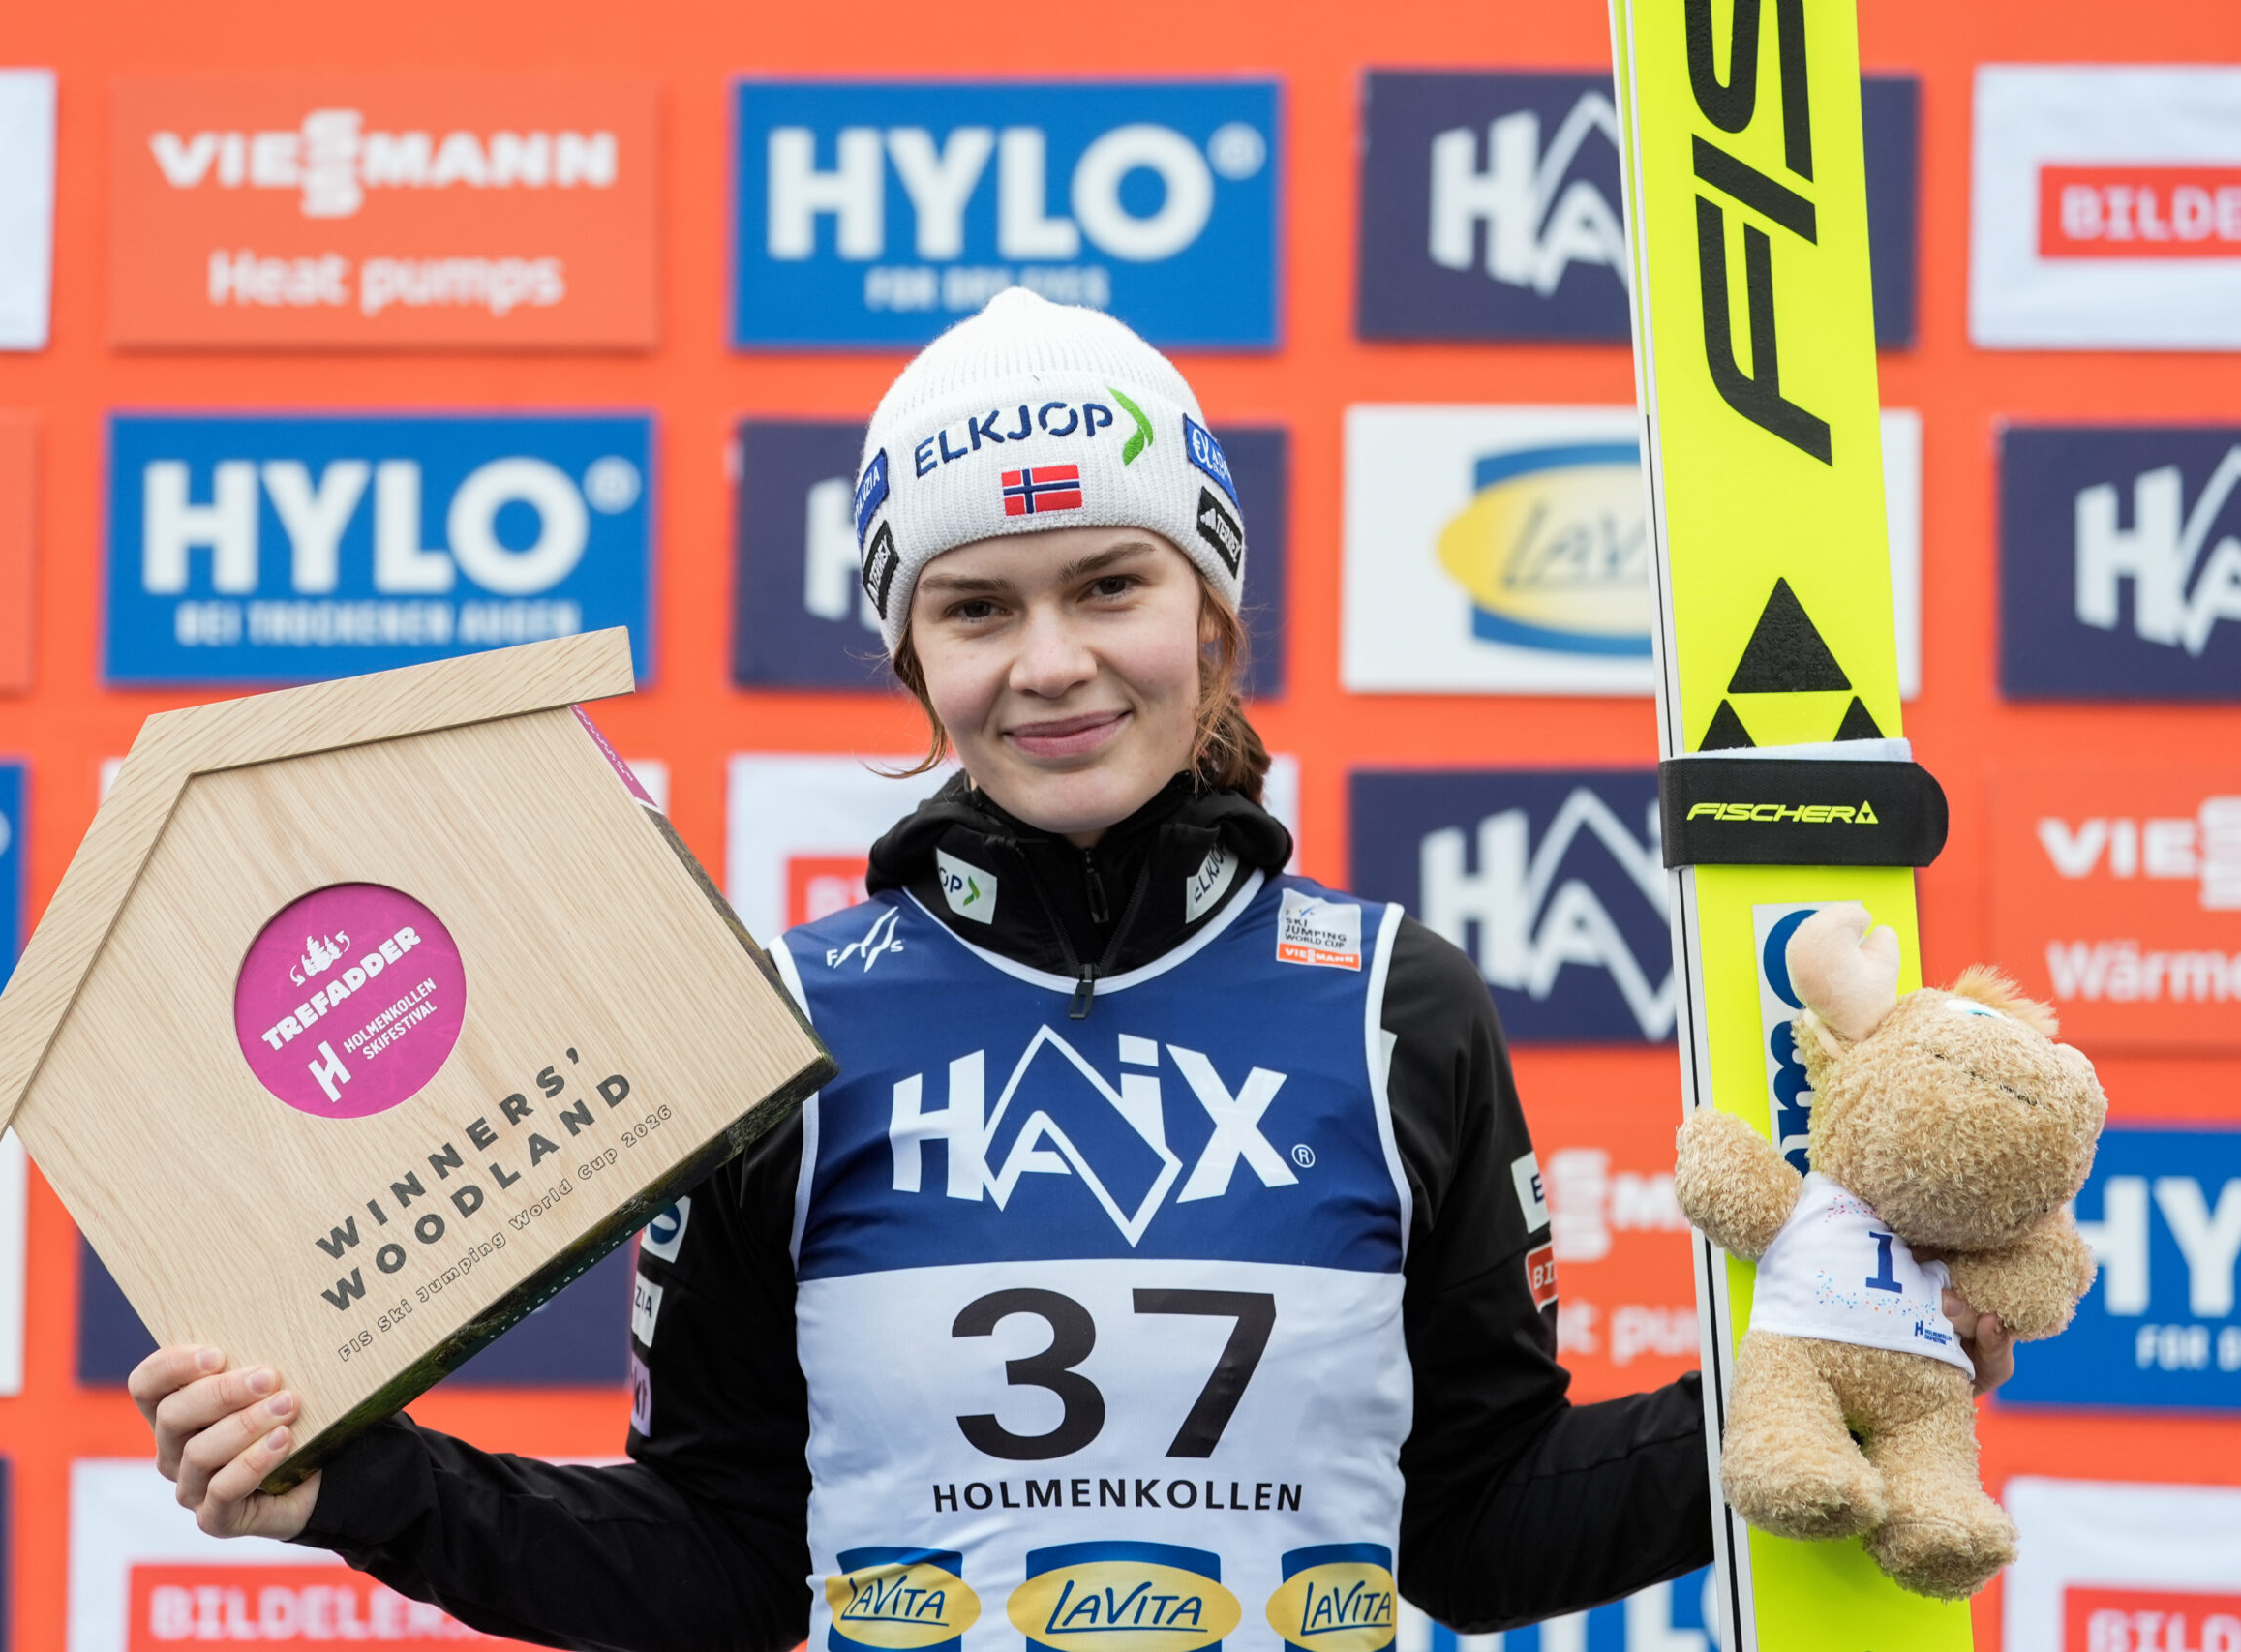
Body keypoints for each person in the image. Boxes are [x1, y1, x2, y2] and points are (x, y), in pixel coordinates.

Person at [131, 288, 2016, 1647]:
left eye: (1105, 585)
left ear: (1208, 608)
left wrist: (1813, 1373)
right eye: (974, 606)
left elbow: (1475, 1525)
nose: (1047, 662)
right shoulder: (771, 1027)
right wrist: (352, 1485)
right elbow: (715, 1560)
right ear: (909, 659)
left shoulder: (1394, 1002)